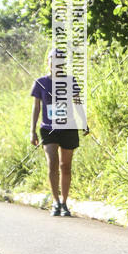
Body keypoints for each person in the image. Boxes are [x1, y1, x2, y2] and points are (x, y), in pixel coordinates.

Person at [30, 48, 89, 217]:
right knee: (52, 163)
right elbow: (36, 107)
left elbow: (77, 103)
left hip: (68, 128)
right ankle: (55, 202)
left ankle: (64, 203)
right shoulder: (40, 82)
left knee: (66, 166)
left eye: (59, 60)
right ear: (48, 62)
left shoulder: (70, 81)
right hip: (48, 129)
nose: (55, 62)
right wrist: (32, 131)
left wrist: (83, 122)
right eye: (52, 59)